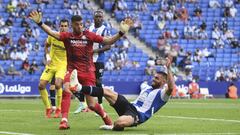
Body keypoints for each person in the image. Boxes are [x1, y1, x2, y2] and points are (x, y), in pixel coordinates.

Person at [29, 10, 133, 129]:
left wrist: (121, 33)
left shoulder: (89, 35)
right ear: (72, 25)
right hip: (72, 71)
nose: (80, 26)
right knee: (66, 90)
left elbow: (108, 41)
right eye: (77, 24)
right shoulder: (67, 36)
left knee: (92, 105)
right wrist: (40, 23)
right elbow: (52, 33)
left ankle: (105, 116)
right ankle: (64, 120)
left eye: (81, 24)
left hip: (88, 72)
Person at [68, 59, 174, 131]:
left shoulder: (162, 94)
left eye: (157, 78)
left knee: (119, 123)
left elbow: (171, 88)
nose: (153, 79)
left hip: (137, 115)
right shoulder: (146, 87)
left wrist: (168, 69)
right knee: (107, 91)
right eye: (154, 77)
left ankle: (112, 126)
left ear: (164, 81)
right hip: (128, 105)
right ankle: (79, 87)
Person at [74, 10, 111, 114]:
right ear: (93, 18)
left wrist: (95, 51)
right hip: (87, 60)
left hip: (99, 59)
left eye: (100, 17)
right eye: (97, 17)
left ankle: (99, 105)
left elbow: (108, 46)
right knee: (81, 81)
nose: (99, 18)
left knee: (98, 82)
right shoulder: (88, 29)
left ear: (102, 18)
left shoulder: (105, 30)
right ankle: (82, 104)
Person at [38, 19, 69, 118]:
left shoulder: (69, 39)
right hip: (51, 65)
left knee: (58, 84)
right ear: (59, 26)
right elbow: (46, 46)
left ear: (68, 27)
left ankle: (59, 108)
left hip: (62, 66)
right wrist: (47, 57)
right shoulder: (53, 36)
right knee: (41, 85)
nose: (63, 27)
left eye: (65, 26)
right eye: (62, 25)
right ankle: (48, 108)